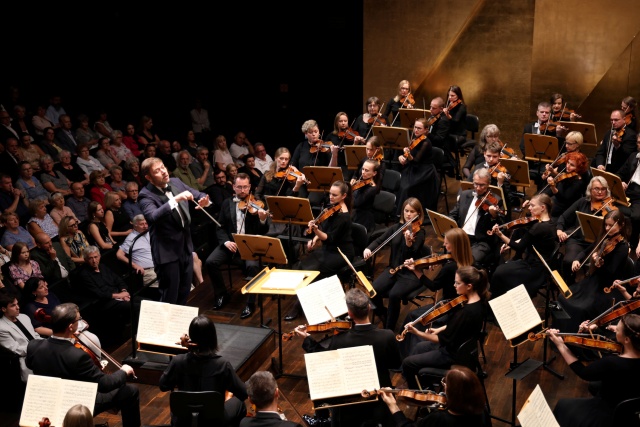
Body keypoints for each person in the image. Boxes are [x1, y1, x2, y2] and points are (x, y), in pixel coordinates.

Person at [294, 288, 402, 427]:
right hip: (380, 398)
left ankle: (322, 419)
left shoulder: (340, 341)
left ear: (350, 313)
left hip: (349, 400)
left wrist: (308, 338)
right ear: (369, 307)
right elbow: (396, 364)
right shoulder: (387, 335)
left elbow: (324, 360)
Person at [26, 302, 140, 427]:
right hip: (75, 403)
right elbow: (104, 384)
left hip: (47, 399)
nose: (80, 322)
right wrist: (123, 371)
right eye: (78, 320)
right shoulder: (78, 356)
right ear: (70, 327)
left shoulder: (34, 346)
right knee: (130, 391)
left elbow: (30, 364)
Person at [401, 265, 489, 390]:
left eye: (457, 283)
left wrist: (416, 332)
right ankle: (421, 382)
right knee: (419, 347)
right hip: (459, 345)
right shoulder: (479, 301)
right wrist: (439, 329)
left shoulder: (467, 312)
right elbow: (458, 326)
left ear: (469, 286)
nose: (454, 285)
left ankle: (419, 393)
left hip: (452, 354)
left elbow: (441, 340)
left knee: (407, 363)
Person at [138, 157, 210, 305]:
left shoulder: (175, 182)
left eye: (163, 167)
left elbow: (197, 194)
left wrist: (205, 200)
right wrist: (175, 200)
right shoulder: (145, 195)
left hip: (185, 248)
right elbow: (152, 216)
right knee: (170, 296)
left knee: (185, 292)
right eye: (157, 171)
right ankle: (166, 327)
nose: (163, 172)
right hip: (167, 254)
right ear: (149, 177)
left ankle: (180, 326)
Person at [549, 314, 640, 427]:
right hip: (632, 408)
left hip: (609, 414)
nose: (614, 328)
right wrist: (599, 328)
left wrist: (561, 346)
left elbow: (584, 372)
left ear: (627, 339)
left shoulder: (612, 363)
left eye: (618, 329)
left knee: (563, 405)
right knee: (594, 385)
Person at [397, 228, 475, 359]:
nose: (443, 245)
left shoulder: (450, 268)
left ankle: (405, 356)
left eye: (446, 243)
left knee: (412, 316)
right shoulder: (471, 261)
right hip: (462, 306)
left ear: (455, 246)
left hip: (449, 308)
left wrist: (416, 271)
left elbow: (434, 286)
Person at [159, 314, 247, 427]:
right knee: (239, 404)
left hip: (183, 421)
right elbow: (243, 393)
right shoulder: (222, 365)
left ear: (191, 338)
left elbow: (163, 385)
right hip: (214, 421)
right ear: (212, 337)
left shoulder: (178, 361)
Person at [285, 180, 354, 321]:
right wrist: (315, 238)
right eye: (330, 193)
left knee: (317, 272)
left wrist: (316, 231)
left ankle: (302, 306)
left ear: (344, 196)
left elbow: (329, 238)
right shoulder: (332, 208)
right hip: (329, 248)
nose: (331, 197)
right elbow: (325, 229)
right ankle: (305, 302)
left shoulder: (344, 216)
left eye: (335, 195)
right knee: (302, 264)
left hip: (341, 252)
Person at [555, 209, 630, 333]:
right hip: (593, 280)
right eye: (606, 224)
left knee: (580, 308)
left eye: (611, 225)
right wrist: (577, 259)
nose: (607, 228)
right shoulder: (605, 238)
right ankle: (560, 332)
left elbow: (610, 272)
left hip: (607, 286)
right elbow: (587, 250)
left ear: (621, 225)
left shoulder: (622, 247)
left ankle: (574, 337)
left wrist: (598, 263)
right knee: (563, 298)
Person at [207, 173, 269, 315]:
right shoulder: (227, 203)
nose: (242, 191)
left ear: (250, 187)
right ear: (234, 187)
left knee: (253, 266)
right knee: (210, 262)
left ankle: (250, 303)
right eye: (239, 187)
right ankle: (221, 294)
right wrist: (226, 242)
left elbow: (263, 231)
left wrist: (262, 220)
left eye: (245, 187)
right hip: (231, 244)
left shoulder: (256, 204)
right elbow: (220, 227)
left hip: (249, 246)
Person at [367, 197, 426, 331]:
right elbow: (380, 240)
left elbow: (411, 254)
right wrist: (369, 249)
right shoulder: (397, 228)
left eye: (412, 211)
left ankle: (389, 329)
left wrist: (408, 243)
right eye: (406, 210)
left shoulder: (420, 232)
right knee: (373, 290)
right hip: (394, 269)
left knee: (394, 295)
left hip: (410, 273)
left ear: (418, 214)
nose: (408, 214)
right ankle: (383, 313)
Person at [489, 193, 558, 299]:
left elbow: (519, 247)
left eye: (532, 205)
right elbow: (531, 239)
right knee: (502, 269)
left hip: (534, 268)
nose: (529, 208)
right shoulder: (551, 222)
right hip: (542, 263)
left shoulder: (538, 227)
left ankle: (497, 302)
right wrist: (511, 243)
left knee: (499, 273)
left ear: (543, 207)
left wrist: (500, 235)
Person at [380, 366, 488, 427]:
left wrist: (393, 405)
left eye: (446, 385)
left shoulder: (439, 419)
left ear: (453, 394)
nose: (444, 387)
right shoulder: (482, 410)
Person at [556, 176, 614, 286]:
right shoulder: (583, 202)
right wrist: (559, 230)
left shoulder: (609, 208)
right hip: (577, 240)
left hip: (596, 244)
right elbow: (564, 216)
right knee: (568, 261)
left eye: (603, 189)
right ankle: (569, 285)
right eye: (596, 189)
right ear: (590, 190)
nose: (600, 192)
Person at [73, 246, 132, 341]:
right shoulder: (84, 274)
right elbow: (99, 294)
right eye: (90, 258)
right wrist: (119, 296)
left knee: (143, 301)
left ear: (99, 256)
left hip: (121, 296)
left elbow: (118, 280)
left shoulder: (103, 267)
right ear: (85, 260)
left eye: (96, 257)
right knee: (135, 306)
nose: (94, 260)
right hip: (106, 302)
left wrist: (124, 292)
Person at [448, 168, 503, 267]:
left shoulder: (496, 200)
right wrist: (451, 225)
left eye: (482, 185)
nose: (478, 188)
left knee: (469, 262)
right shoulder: (465, 195)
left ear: (488, 184)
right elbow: (453, 214)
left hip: (480, 241)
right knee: (449, 258)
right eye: (475, 184)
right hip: (461, 236)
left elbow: (500, 225)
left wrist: (493, 215)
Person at [395, 117, 439, 216]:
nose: (416, 130)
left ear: (426, 130)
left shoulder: (426, 143)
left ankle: (406, 213)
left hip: (424, 171)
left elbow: (415, 161)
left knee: (406, 187)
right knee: (400, 184)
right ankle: (401, 211)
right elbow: (409, 155)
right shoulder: (414, 138)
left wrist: (409, 155)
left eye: (419, 128)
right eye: (415, 127)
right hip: (413, 168)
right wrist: (401, 156)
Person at [290, 119, 339, 202]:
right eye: (310, 132)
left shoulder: (325, 147)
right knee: (298, 200)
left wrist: (334, 155)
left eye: (316, 131)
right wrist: (300, 175)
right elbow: (292, 166)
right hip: (303, 182)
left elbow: (332, 169)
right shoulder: (301, 146)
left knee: (311, 201)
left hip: (318, 185)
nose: (314, 134)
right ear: (305, 134)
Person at [0, 288, 42, 383]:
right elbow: (16, 349)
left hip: (40, 351)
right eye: (13, 305)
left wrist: (47, 343)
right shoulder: (1, 327)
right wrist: (40, 347)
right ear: (3, 309)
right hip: (27, 359)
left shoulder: (24, 317)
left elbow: (35, 336)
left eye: (17, 304)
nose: (18, 307)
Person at [116, 214, 158, 296]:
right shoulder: (131, 238)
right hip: (149, 272)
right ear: (135, 225)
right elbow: (119, 254)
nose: (145, 226)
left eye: (146, 223)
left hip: (161, 266)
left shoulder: (149, 233)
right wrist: (135, 266)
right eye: (142, 224)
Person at [540, 151, 589, 220]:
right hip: (556, 202)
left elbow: (563, 199)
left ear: (579, 168)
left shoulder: (578, 183)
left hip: (564, 210)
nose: (567, 166)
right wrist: (538, 198)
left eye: (572, 165)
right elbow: (551, 191)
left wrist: (553, 187)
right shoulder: (567, 174)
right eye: (568, 163)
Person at [595, 109, 638, 173]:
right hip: (605, 168)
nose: (613, 122)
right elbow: (600, 153)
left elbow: (627, 157)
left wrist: (618, 146)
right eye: (611, 120)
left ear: (624, 119)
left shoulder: (631, 135)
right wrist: (600, 164)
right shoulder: (609, 133)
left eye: (616, 120)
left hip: (620, 171)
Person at [350, 158, 381, 234]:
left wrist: (354, 190)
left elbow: (357, 202)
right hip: (355, 213)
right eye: (363, 169)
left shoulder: (372, 188)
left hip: (363, 218)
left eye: (366, 171)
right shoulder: (362, 182)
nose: (363, 172)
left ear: (374, 173)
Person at [443, 85, 468, 156]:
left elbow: (455, 121)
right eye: (449, 95)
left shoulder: (462, 107)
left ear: (458, 96)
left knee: (443, 140)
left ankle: (450, 161)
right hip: (450, 131)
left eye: (452, 95)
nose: (450, 97)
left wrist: (447, 115)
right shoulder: (449, 104)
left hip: (459, 133)